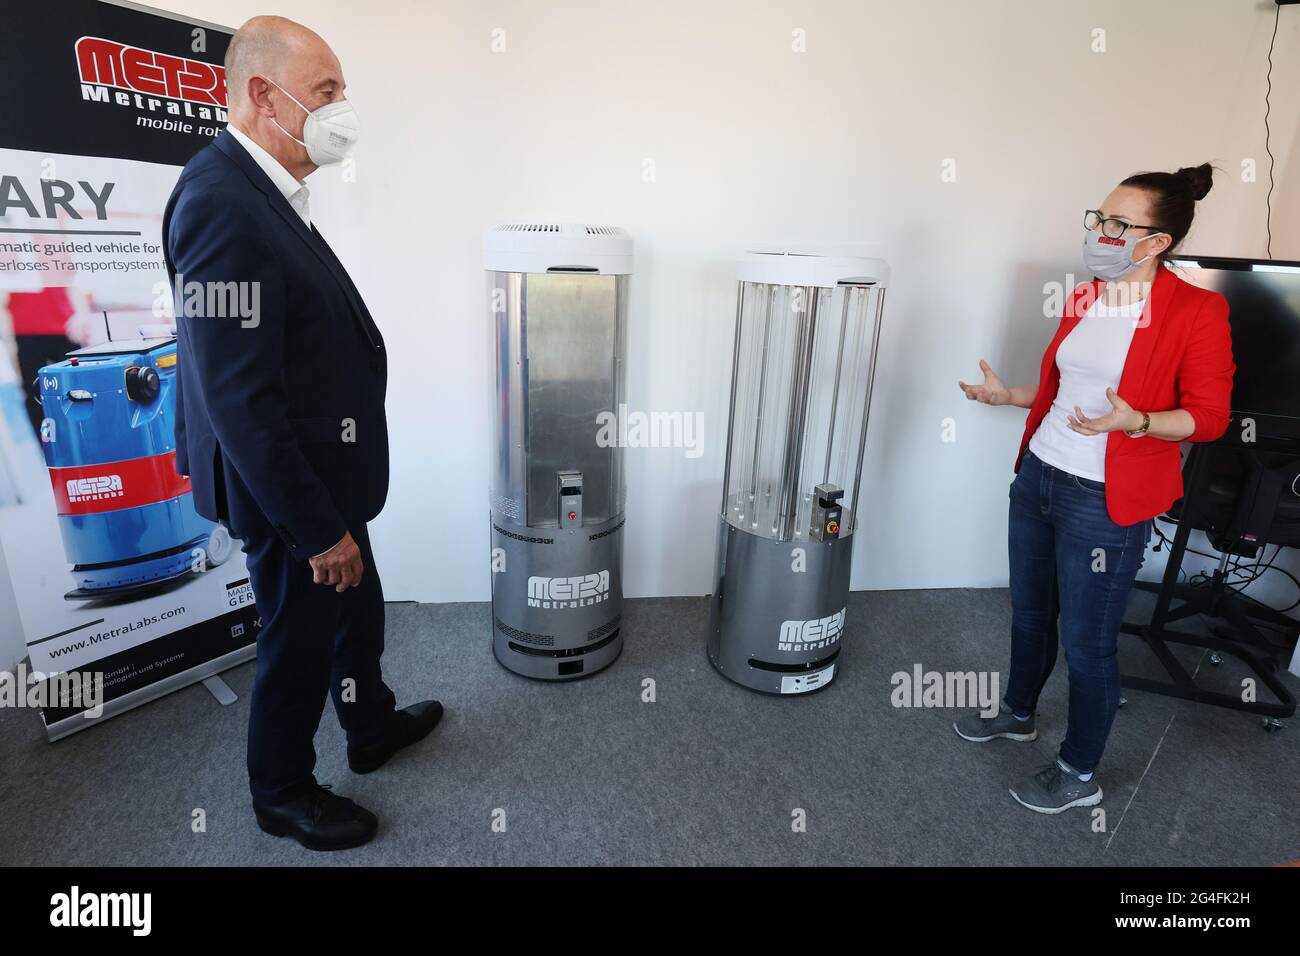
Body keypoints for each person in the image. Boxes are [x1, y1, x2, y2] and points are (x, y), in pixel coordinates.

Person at [163, 15, 442, 851]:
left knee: (358, 610)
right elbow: (238, 399)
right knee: (298, 635)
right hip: (287, 489)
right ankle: (280, 792)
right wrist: (318, 529)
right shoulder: (220, 205)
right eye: (326, 92)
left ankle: (368, 725)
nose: (342, 107)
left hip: (328, 469)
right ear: (263, 95)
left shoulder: (267, 189)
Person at [954, 164, 1234, 813]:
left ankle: (1080, 773)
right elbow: (1064, 391)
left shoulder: (1197, 310)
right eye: (1098, 219)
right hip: (1040, 478)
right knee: (1028, 615)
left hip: (1105, 501)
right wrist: (1010, 396)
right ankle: (1018, 713)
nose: (1100, 232)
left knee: (1087, 642)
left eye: (1117, 223)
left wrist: (1135, 420)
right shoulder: (1086, 296)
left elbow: (1210, 417)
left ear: (1157, 241)